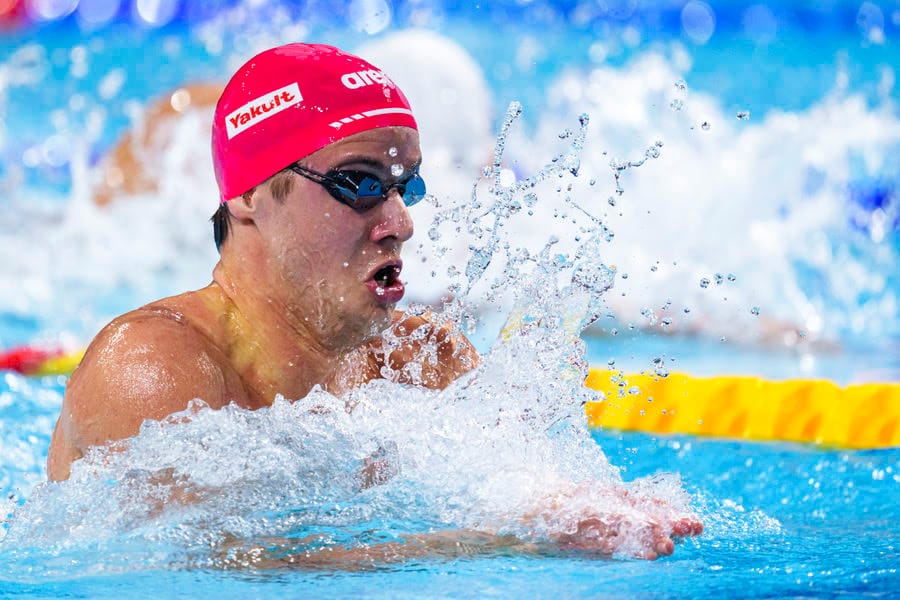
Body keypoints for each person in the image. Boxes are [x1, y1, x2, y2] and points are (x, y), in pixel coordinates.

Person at [46, 43, 701, 560]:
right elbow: (221, 564)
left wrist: (584, 506)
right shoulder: (153, 371)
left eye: (404, 187)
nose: (400, 223)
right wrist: (512, 539)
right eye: (358, 183)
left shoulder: (421, 360)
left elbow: (523, 491)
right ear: (248, 194)